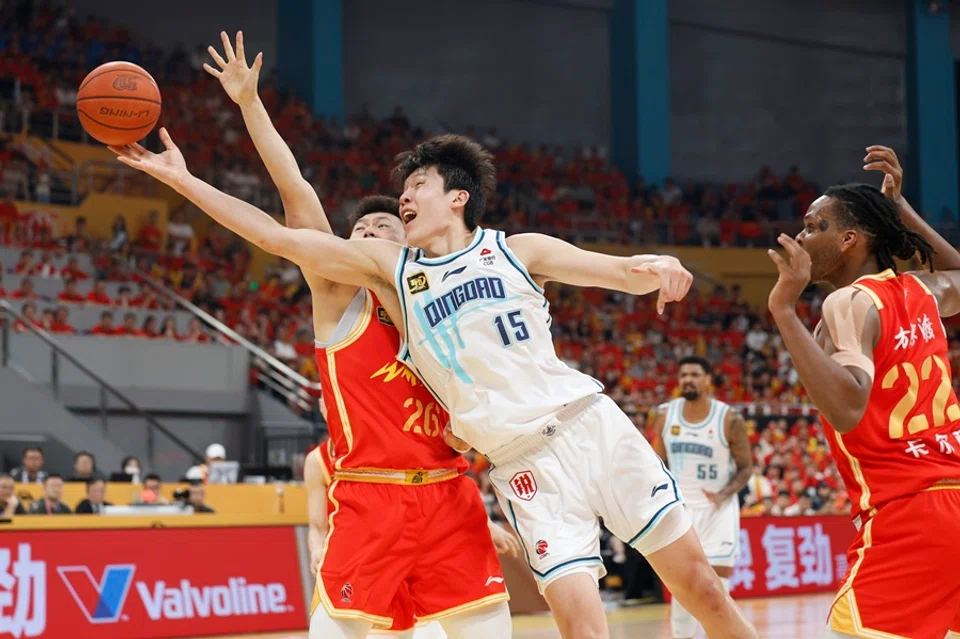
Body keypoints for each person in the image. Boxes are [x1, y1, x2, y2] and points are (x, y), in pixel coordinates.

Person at [114, 34, 754, 637]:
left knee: (701, 586)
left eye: (416, 187)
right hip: (516, 466)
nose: (402, 199)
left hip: (584, 425)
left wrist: (658, 267)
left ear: (458, 197)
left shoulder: (517, 249)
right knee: (581, 627)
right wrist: (192, 167)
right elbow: (283, 225)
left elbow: (616, 271)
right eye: (398, 194)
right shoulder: (393, 275)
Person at [193, 34, 511, 639]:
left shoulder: (450, 298)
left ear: (410, 236)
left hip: (450, 495)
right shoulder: (340, 294)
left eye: (382, 224)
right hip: (372, 497)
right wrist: (248, 107)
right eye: (357, 228)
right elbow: (294, 193)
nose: (364, 232)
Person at [767, 145, 960, 639]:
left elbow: (849, 407)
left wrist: (784, 311)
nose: (800, 237)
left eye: (813, 227)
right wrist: (900, 208)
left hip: (910, 515)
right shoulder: (921, 291)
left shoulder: (849, 301)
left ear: (849, 239)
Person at [651, 356, 753, 639]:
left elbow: (746, 468)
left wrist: (723, 494)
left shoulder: (729, 418)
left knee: (716, 590)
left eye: (695, 374)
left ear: (708, 380)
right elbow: (658, 463)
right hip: (681, 511)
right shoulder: (665, 415)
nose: (688, 380)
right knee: (683, 588)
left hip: (718, 511)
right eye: (684, 375)